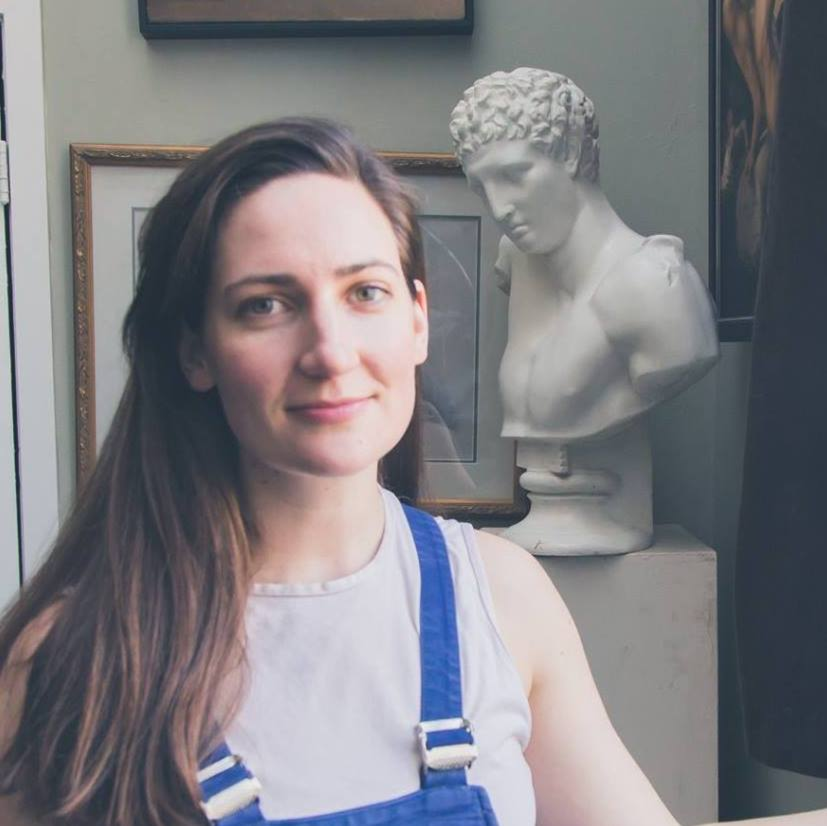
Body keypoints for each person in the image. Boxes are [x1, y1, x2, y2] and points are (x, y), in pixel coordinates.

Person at [0, 118, 822, 826]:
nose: (330, 352)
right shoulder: (70, 660)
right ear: (194, 352)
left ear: (419, 320)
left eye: (364, 292)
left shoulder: (499, 593)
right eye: (266, 304)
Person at [449, 69, 720, 554]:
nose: (499, 208)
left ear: (570, 154)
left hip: (614, 516)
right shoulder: (518, 263)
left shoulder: (651, 286)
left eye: (514, 175)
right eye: (480, 188)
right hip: (537, 525)